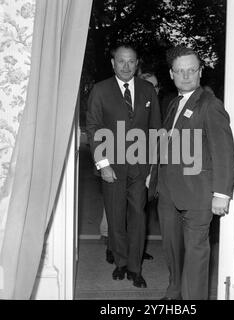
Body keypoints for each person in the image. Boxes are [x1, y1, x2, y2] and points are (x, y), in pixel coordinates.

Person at [148, 46, 234, 300]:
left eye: (191, 70)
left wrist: (221, 194)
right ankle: (175, 291)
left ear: (200, 72)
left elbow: (223, 152)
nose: (186, 76)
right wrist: (152, 175)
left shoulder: (210, 105)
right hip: (168, 193)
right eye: (180, 71)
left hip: (198, 194)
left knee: (196, 255)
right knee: (172, 249)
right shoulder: (174, 103)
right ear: (171, 74)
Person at [86, 44, 161, 288]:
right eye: (121, 61)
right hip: (112, 166)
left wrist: (153, 168)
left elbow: (156, 130)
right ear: (113, 63)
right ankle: (120, 262)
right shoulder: (100, 90)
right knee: (116, 217)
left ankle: (135, 268)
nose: (126, 66)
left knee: (138, 217)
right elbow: (94, 127)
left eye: (131, 61)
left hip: (140, 167)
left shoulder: (148, 90)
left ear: (137, 63)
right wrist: (103, 164)